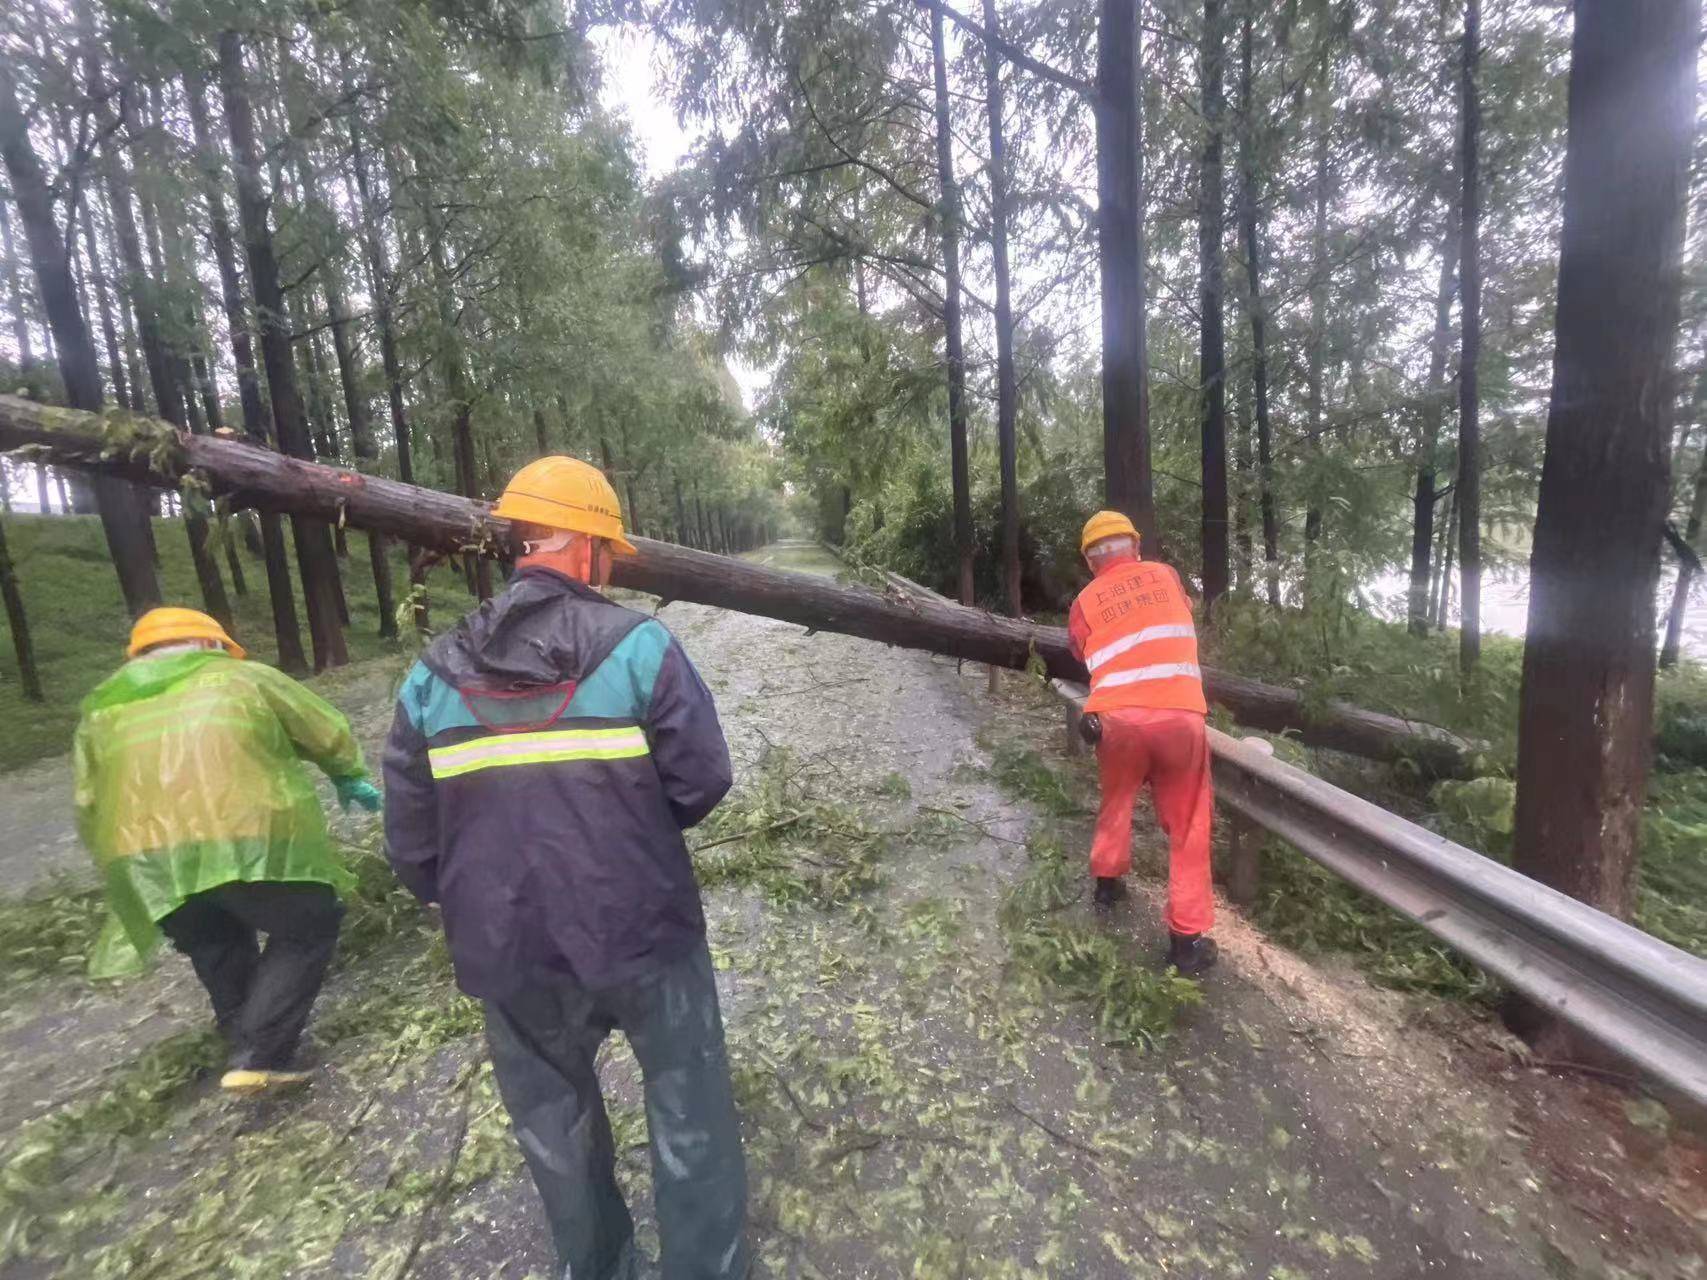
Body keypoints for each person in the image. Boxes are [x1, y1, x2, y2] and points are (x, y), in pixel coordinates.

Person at [382, 456, 747, 1280]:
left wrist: (474, 894)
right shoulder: (642, 648)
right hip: (644, 931)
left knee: (555, 1128)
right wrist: (630, 836)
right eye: (609, 550)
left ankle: (599, 1266)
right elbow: (702, 778)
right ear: (585, 548)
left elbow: (410, 844)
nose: (611, 565)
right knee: (687, 1106)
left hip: (507, 950)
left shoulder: (430, 675)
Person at [73, 607, 380, 1094]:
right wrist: (348, 773)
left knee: (213, 937)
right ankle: (263, 1053)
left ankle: (242, 1043)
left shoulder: (103, 708)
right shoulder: (243, 679)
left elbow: (88, 800)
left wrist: (122, 860)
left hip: (145, 858)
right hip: (243, 833)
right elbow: (321, 728)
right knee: (308, 923)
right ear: (212, 645)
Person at [1066, 512, 1218, 976]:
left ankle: (1108, 886)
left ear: (1091, 561)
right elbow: (1180, 614)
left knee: (1117, 800)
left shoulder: (1083, 602)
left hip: (1117, 720)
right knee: (1189, 824)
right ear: (1134, 546)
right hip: (1179, 715)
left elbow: (1079, 650)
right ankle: (1186, 942)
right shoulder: (1167, 576)